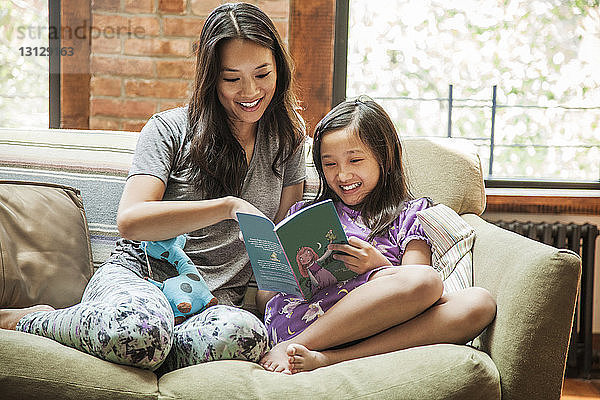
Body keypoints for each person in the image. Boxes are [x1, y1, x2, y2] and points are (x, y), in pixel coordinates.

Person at [0, 2, 306, 372]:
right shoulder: (169, 129)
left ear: (279, 70)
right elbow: (132, 220)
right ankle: (30, 321)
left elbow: (277, 242)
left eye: (262, 74)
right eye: (232, 78)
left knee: (246, 336)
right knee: (141, 329)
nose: (250, 91)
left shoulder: (288, 139)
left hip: (211, 304)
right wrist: (228, 206)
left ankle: (145, 348)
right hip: (141, 279)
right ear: (211, 78)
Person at [258, 96, 497, 374]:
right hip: (304, 324)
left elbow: (421, 287)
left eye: (355, 160)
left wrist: (378, 265)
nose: (343, 174)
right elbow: (265, 298)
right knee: (428, 282)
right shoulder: (304, 214)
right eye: (330, 164)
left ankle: (331, 359)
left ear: (384, 158)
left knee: (478, 302)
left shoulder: (410, 215)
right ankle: (302, 346)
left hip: (380, 327)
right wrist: (290, 271)